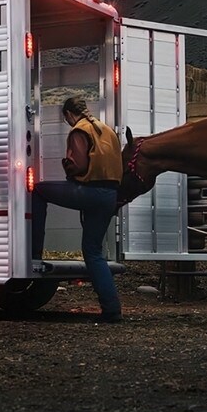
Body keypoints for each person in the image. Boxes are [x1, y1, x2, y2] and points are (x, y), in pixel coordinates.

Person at [32, 97, 124, 323]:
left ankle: (34, 253)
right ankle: (111, 310)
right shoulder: (107, 130)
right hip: (110, 195)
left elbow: (79, 165)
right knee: (93, 253)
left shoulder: (79, 131)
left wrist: (67, 165)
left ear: (69, 114)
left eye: (66, 118)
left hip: (89, 191)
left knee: (38, 191)